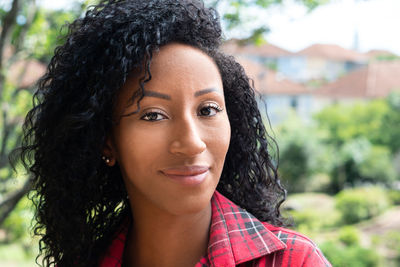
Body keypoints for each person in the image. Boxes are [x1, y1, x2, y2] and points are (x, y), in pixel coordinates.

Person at [16, 0, 332, 266]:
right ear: (106, 141)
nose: (192, 143)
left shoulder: (292, 261)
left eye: (207, 109)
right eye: (153, 115)